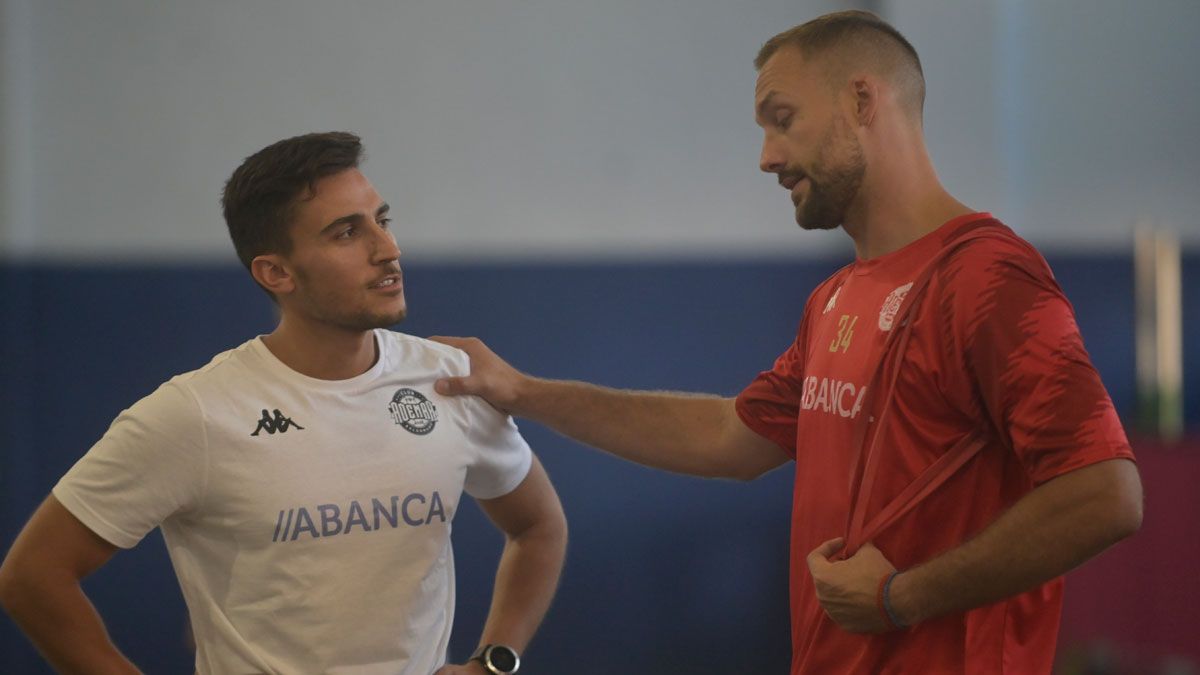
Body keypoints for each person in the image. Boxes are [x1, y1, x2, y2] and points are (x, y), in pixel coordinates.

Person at [430, 10, 1142, 674]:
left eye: (784, 120)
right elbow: (725, 436)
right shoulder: (835, 298)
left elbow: (1105, 493)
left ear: (864, 101)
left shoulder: (986, 276)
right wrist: (521, 389)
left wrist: (905, 594)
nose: (767, 157)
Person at [0, 132, 567, 675]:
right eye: (347, 233)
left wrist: (495, 662)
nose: (388, 249)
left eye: (382, 220)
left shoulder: (449, 380)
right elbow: (32, 576)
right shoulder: (195, 413)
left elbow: (538, 526)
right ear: (276, 272)